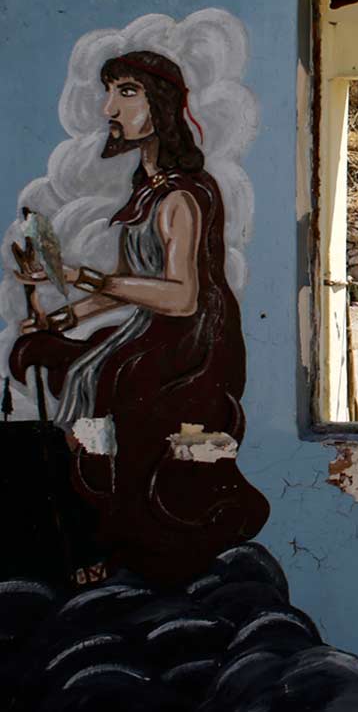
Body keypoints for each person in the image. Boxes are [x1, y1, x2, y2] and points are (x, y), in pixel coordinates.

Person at [8, 49, 269, 584]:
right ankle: (93, 518)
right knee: (71, 361)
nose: (109, 107)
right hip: (150, 329)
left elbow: (181, 296)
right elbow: (127, 287)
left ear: (163, 106)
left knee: (105, 381)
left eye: (126, 92)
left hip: (193, 344)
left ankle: (121, 530)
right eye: (110, 91)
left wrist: (86, 278)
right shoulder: (146, 192)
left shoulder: (182, 196)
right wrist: (60, 318)